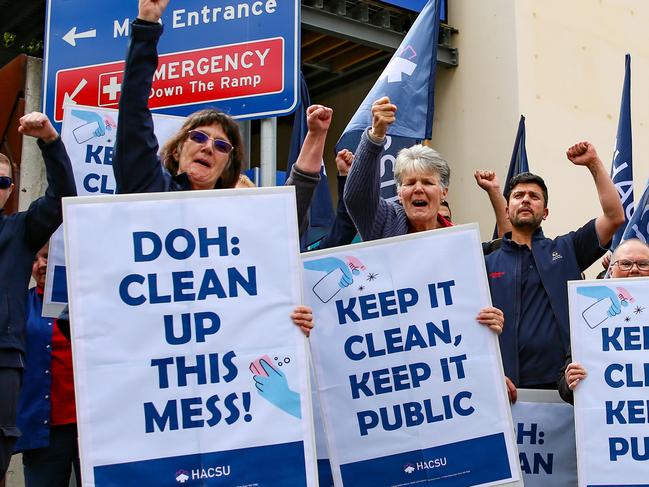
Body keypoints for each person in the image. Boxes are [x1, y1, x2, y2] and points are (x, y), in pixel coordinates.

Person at [113, 0, 318, 336]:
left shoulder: (241, 223)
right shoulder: (148, 190)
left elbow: (265, 287)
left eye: (222, 146)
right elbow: (133, 114)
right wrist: (146, 28)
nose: (209, 147)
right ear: (179, 147)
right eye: (199, 137)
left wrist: (289, 320)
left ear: (227, 165)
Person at [342, 96, 505, 336]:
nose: (418, 189)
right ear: (399, 192)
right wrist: (375, 135)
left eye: (427, 182)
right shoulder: (386, 222)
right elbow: (356, 198)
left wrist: (493, 322)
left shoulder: (461, 245)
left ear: (443, 192)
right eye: (410, 183)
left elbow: (472, 309)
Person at [482, 141, 624, 396]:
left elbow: (615, 217)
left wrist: (594, 164)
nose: (526, 200)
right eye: (518, 196)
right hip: (501, 387)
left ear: (545, 212)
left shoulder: (568, 248)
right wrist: (487, 374)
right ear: (506, 209)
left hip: (562, 389)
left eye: (534, 197)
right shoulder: (485, 262)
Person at [0, 113, 76, 485]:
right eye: (40, 259)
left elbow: (62, 198)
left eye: (2, 182)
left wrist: (50, 140)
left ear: (12, 189)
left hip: (88, 431)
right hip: (41, 433)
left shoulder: (18, 231)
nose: (43, 265)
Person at [14, 244, 80, 487]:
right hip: (43, 429)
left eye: (48, 257)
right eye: (35, 259)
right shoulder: (20, 306)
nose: (41, 265)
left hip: (91, 425)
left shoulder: (85, 301)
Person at [558, 238, 649, 404]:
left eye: (643, 264)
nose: (635, 269)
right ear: (611, 270)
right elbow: (565, 388)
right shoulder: (592, 315)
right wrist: (570, 381)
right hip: (612, 420)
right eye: (626, 263)